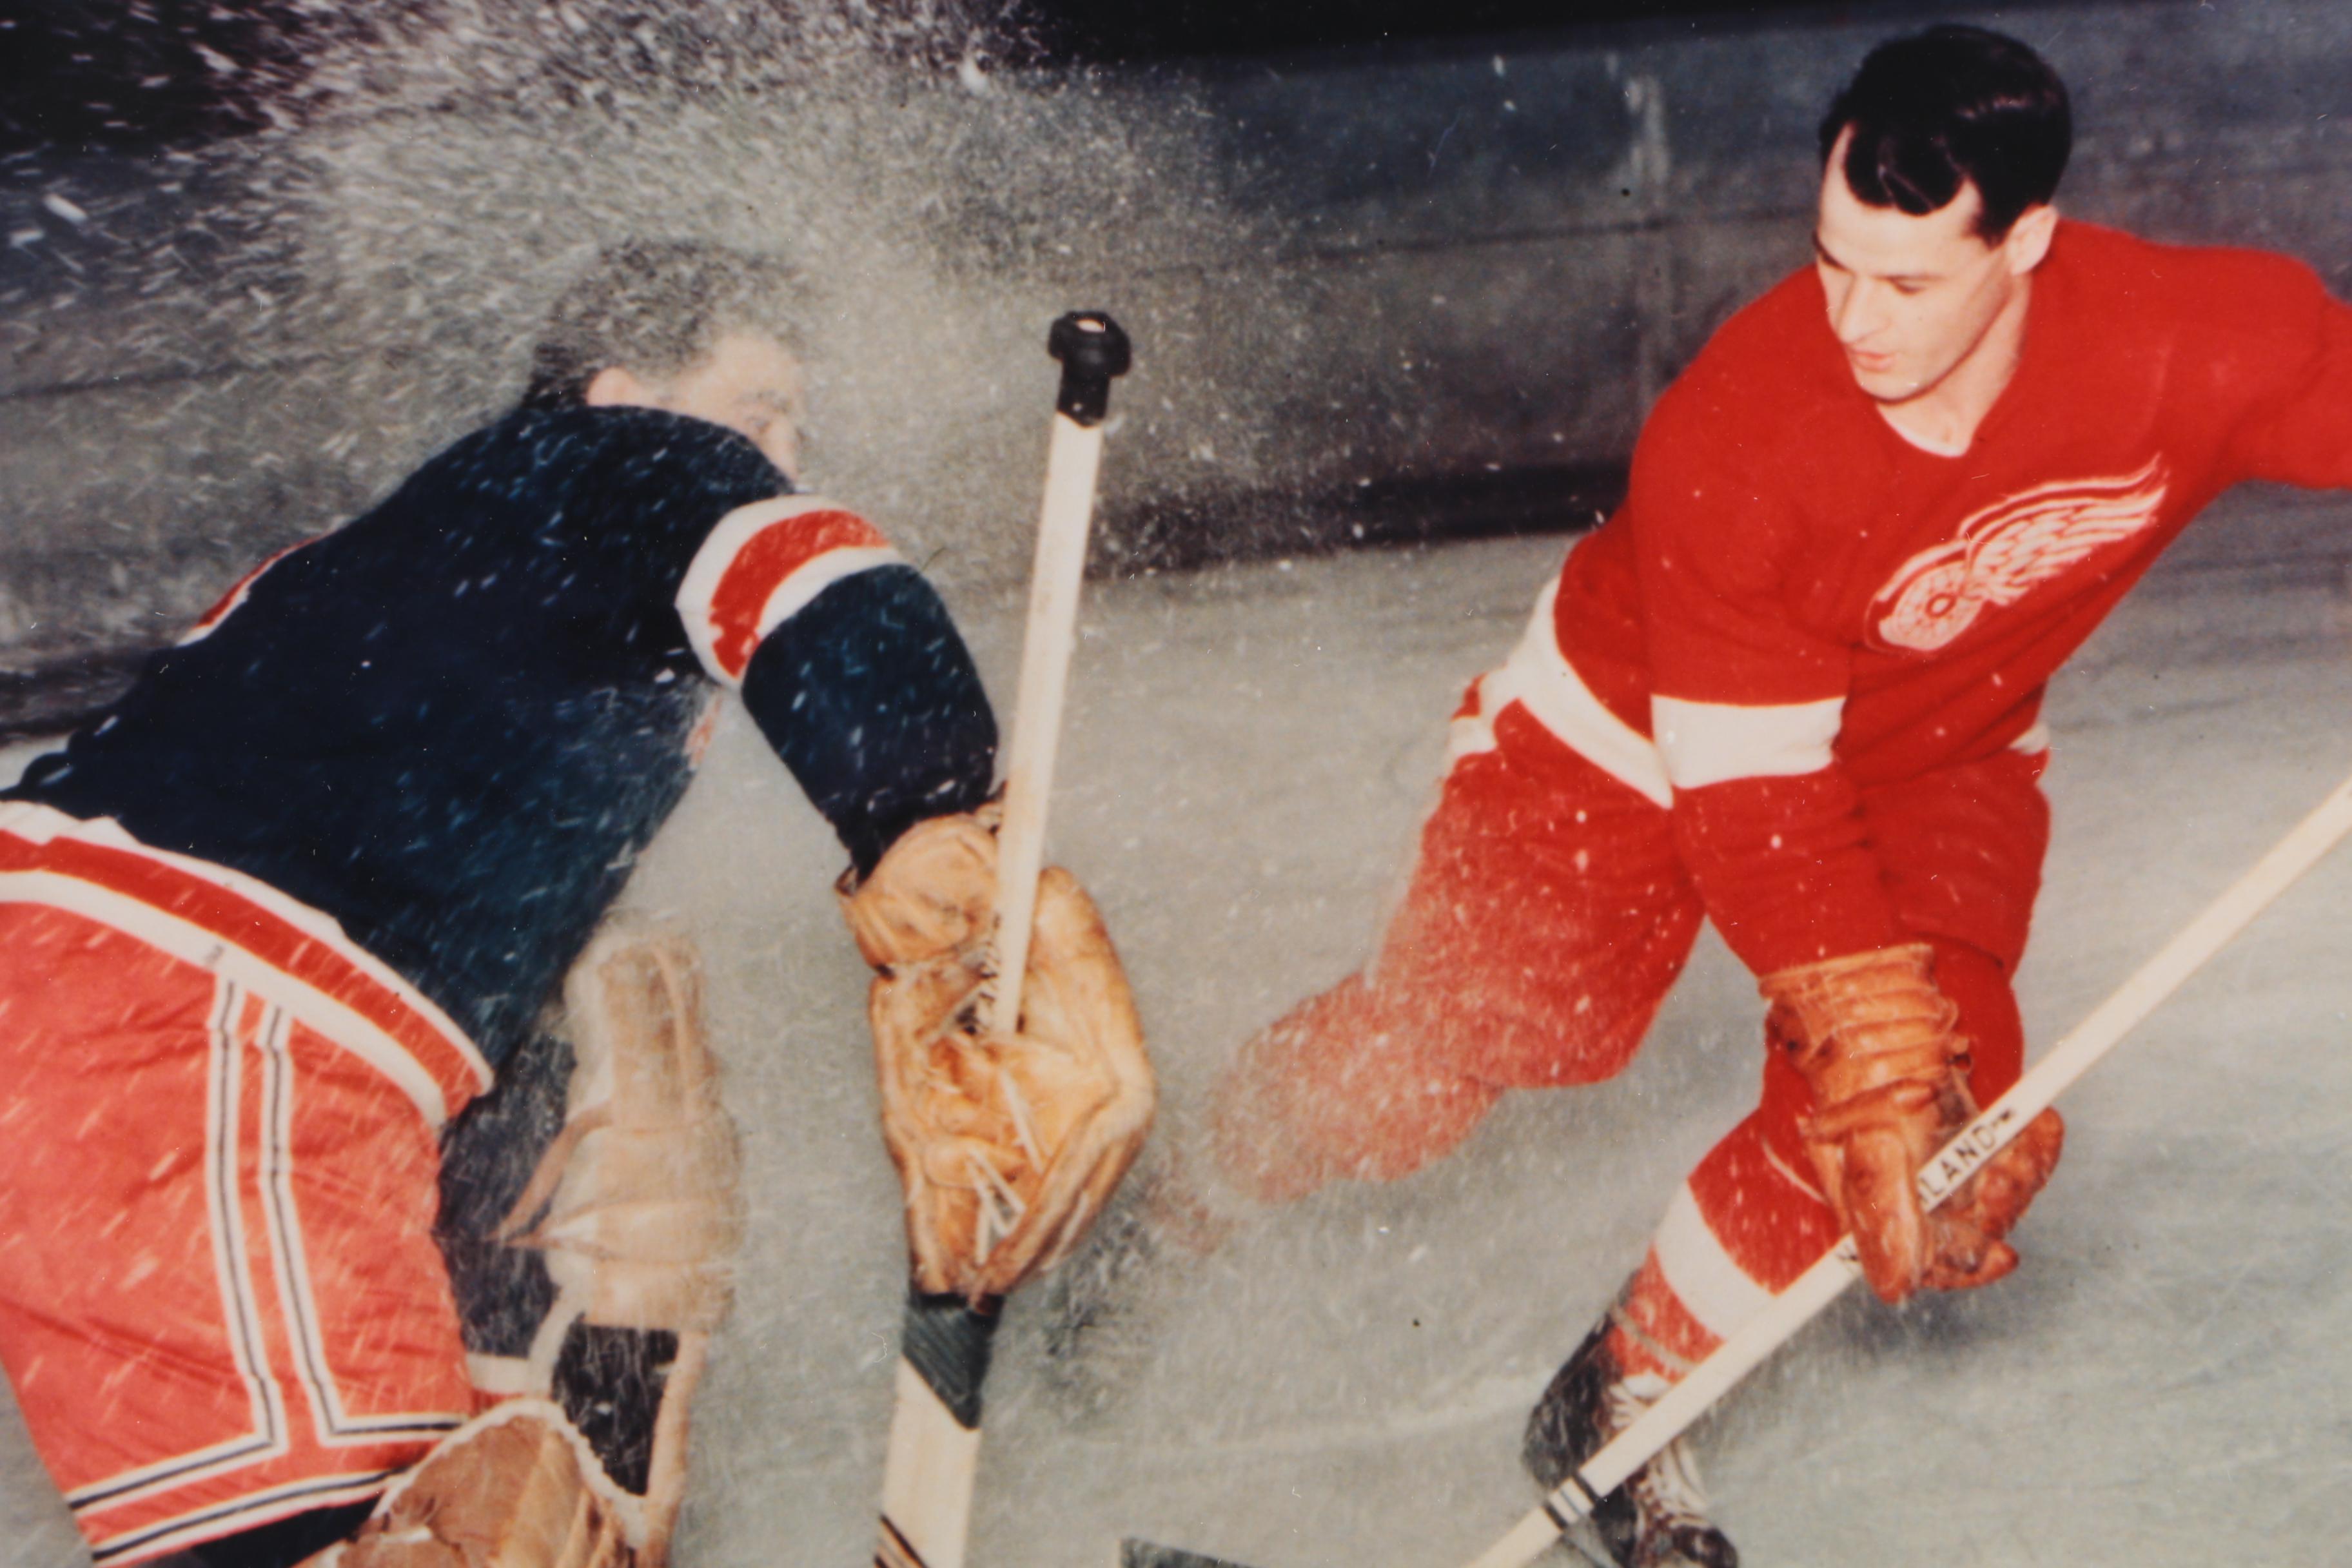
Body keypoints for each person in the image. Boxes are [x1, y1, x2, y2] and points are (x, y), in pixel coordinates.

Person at [1200, 24, 2352, 1568]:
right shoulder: (1744, 431)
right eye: (1831, 264)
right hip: (1627, 747)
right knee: (1459, 1051)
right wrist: (1859, 1041)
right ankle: (1190, 1184)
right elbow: (1757, 803)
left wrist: (1882, 1076)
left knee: (1923, 1101)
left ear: (2027, 241)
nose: (1857, 321)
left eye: (1908, 283)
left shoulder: (2194, 340)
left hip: (1938, 756)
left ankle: (1619, 1401)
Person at [0, 240, 1008, 1567]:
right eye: (758, 409)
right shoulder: (618, 460)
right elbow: (796, 560)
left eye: (794, 429)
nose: (780, 451)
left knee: (370, 1527)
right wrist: (928, 810)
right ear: (614, 391)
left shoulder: (440, 568)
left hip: (135, 1040)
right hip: (198, 1026)